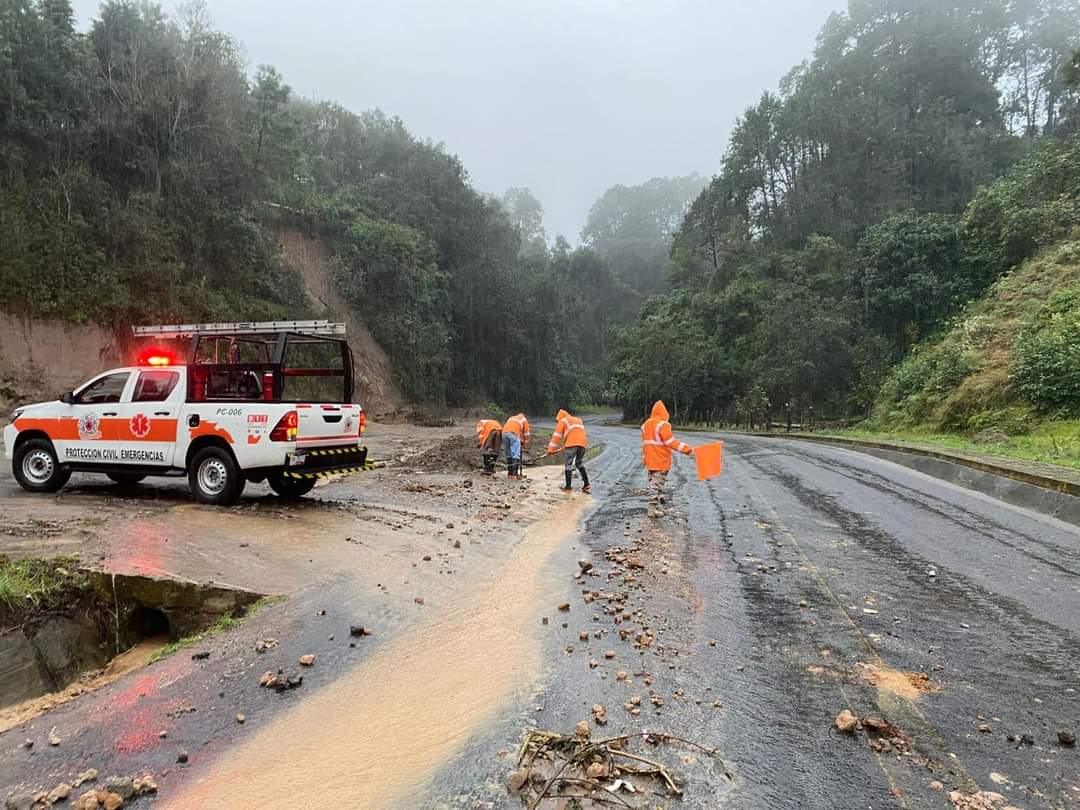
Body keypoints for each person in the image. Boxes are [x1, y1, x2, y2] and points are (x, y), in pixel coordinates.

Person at [641, 400, 693, 512]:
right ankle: (652, 508)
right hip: (661, 461)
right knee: (656, 485)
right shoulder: (663, 425)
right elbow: (671, 442)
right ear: (665, 413)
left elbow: (645, 444)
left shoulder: (645, 425)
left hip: (650, 461)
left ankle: (657, 506)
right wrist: (687, 449)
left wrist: (645, 459)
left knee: (654, 483)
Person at [547, 409, 590, 493]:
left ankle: (568, 487)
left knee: (568, 464)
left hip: (572, 444)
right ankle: (586, 484)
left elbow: (556, 436)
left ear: (559, 418)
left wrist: (550, 450)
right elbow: (577, 434)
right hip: (583, 444)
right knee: (579, 463)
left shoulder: (563, 421)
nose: (557, 422)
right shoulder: (578, 420)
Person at [502, 412, 531, 479]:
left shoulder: (512, 418)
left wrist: (520, 440)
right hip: (513, 433)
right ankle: (515, 474)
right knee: (515, 454)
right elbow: (526, 434)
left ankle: (510, 473)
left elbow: (519, 431)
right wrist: (525, 443)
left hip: (504, 433)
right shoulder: (524, 420)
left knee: (509, 453)